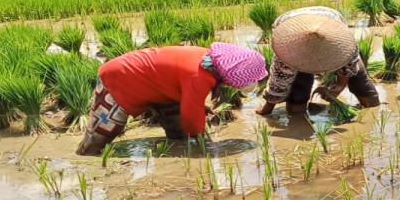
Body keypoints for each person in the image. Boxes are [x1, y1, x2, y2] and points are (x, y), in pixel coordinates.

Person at [76, 42, 267, 155]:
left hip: (159, 86)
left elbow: (187, 97)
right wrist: (205, 145)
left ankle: (176, 148)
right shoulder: (199, 75)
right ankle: (82, 161)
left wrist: (199, 109)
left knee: (178, 131)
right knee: (99, 138)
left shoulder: (208, 60)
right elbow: (191, 117)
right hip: (119, 77)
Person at [257, 6, 381, 116]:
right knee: (299, 90)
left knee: (360, 81)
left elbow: (350, 68)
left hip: (329, 18)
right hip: (291, 27)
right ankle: (298, 117)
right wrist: (268, 107)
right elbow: (278, 83)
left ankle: (373, 110)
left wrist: (339, 86)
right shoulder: (286, 53)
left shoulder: (344, 45)